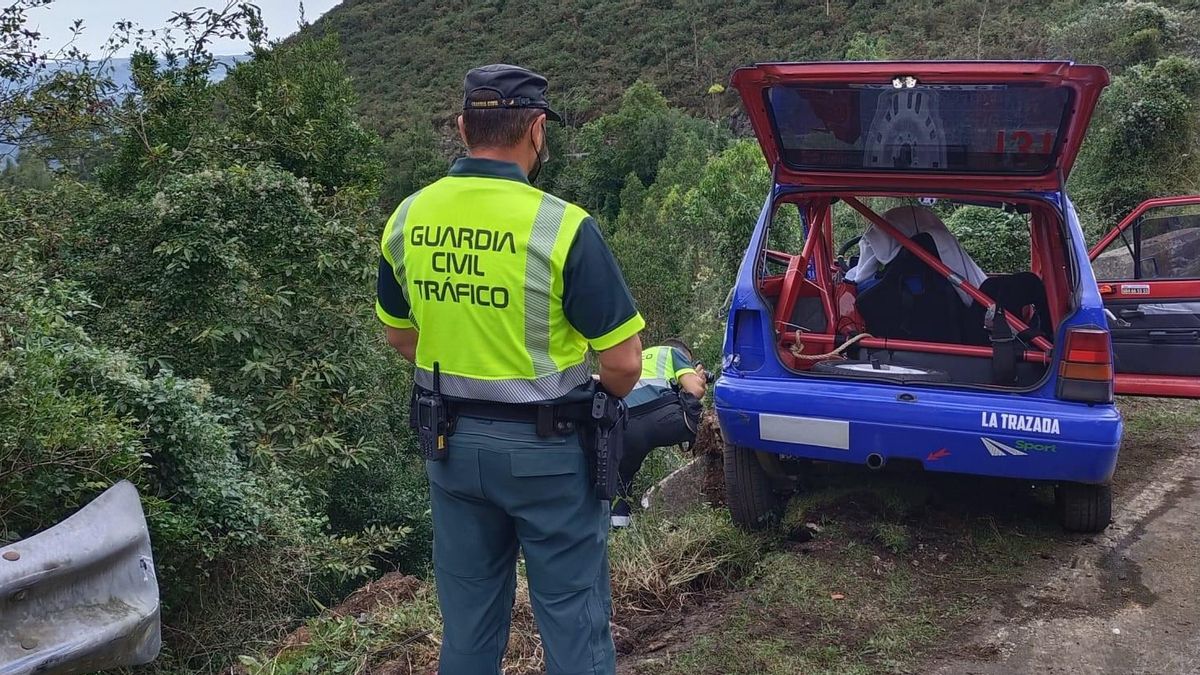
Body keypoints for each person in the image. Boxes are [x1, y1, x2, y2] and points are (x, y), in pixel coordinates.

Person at [375, 64, 644, 675]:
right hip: (550, 454)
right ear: (538, 131)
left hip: (451, 448)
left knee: (468, 628)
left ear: (464, 126)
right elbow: (625, 363)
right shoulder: (562, 226)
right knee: (573, 622)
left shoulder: (408, 218)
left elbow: (400, 334)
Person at [611, 338, 707, 528]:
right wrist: (699, 380)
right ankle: (712, 465)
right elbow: (695, 390)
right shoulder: (672, 353)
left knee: (621, 478)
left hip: (627, 425)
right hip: (664, 419)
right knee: (704, 424)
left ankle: (619, 525)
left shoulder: (639, 358)